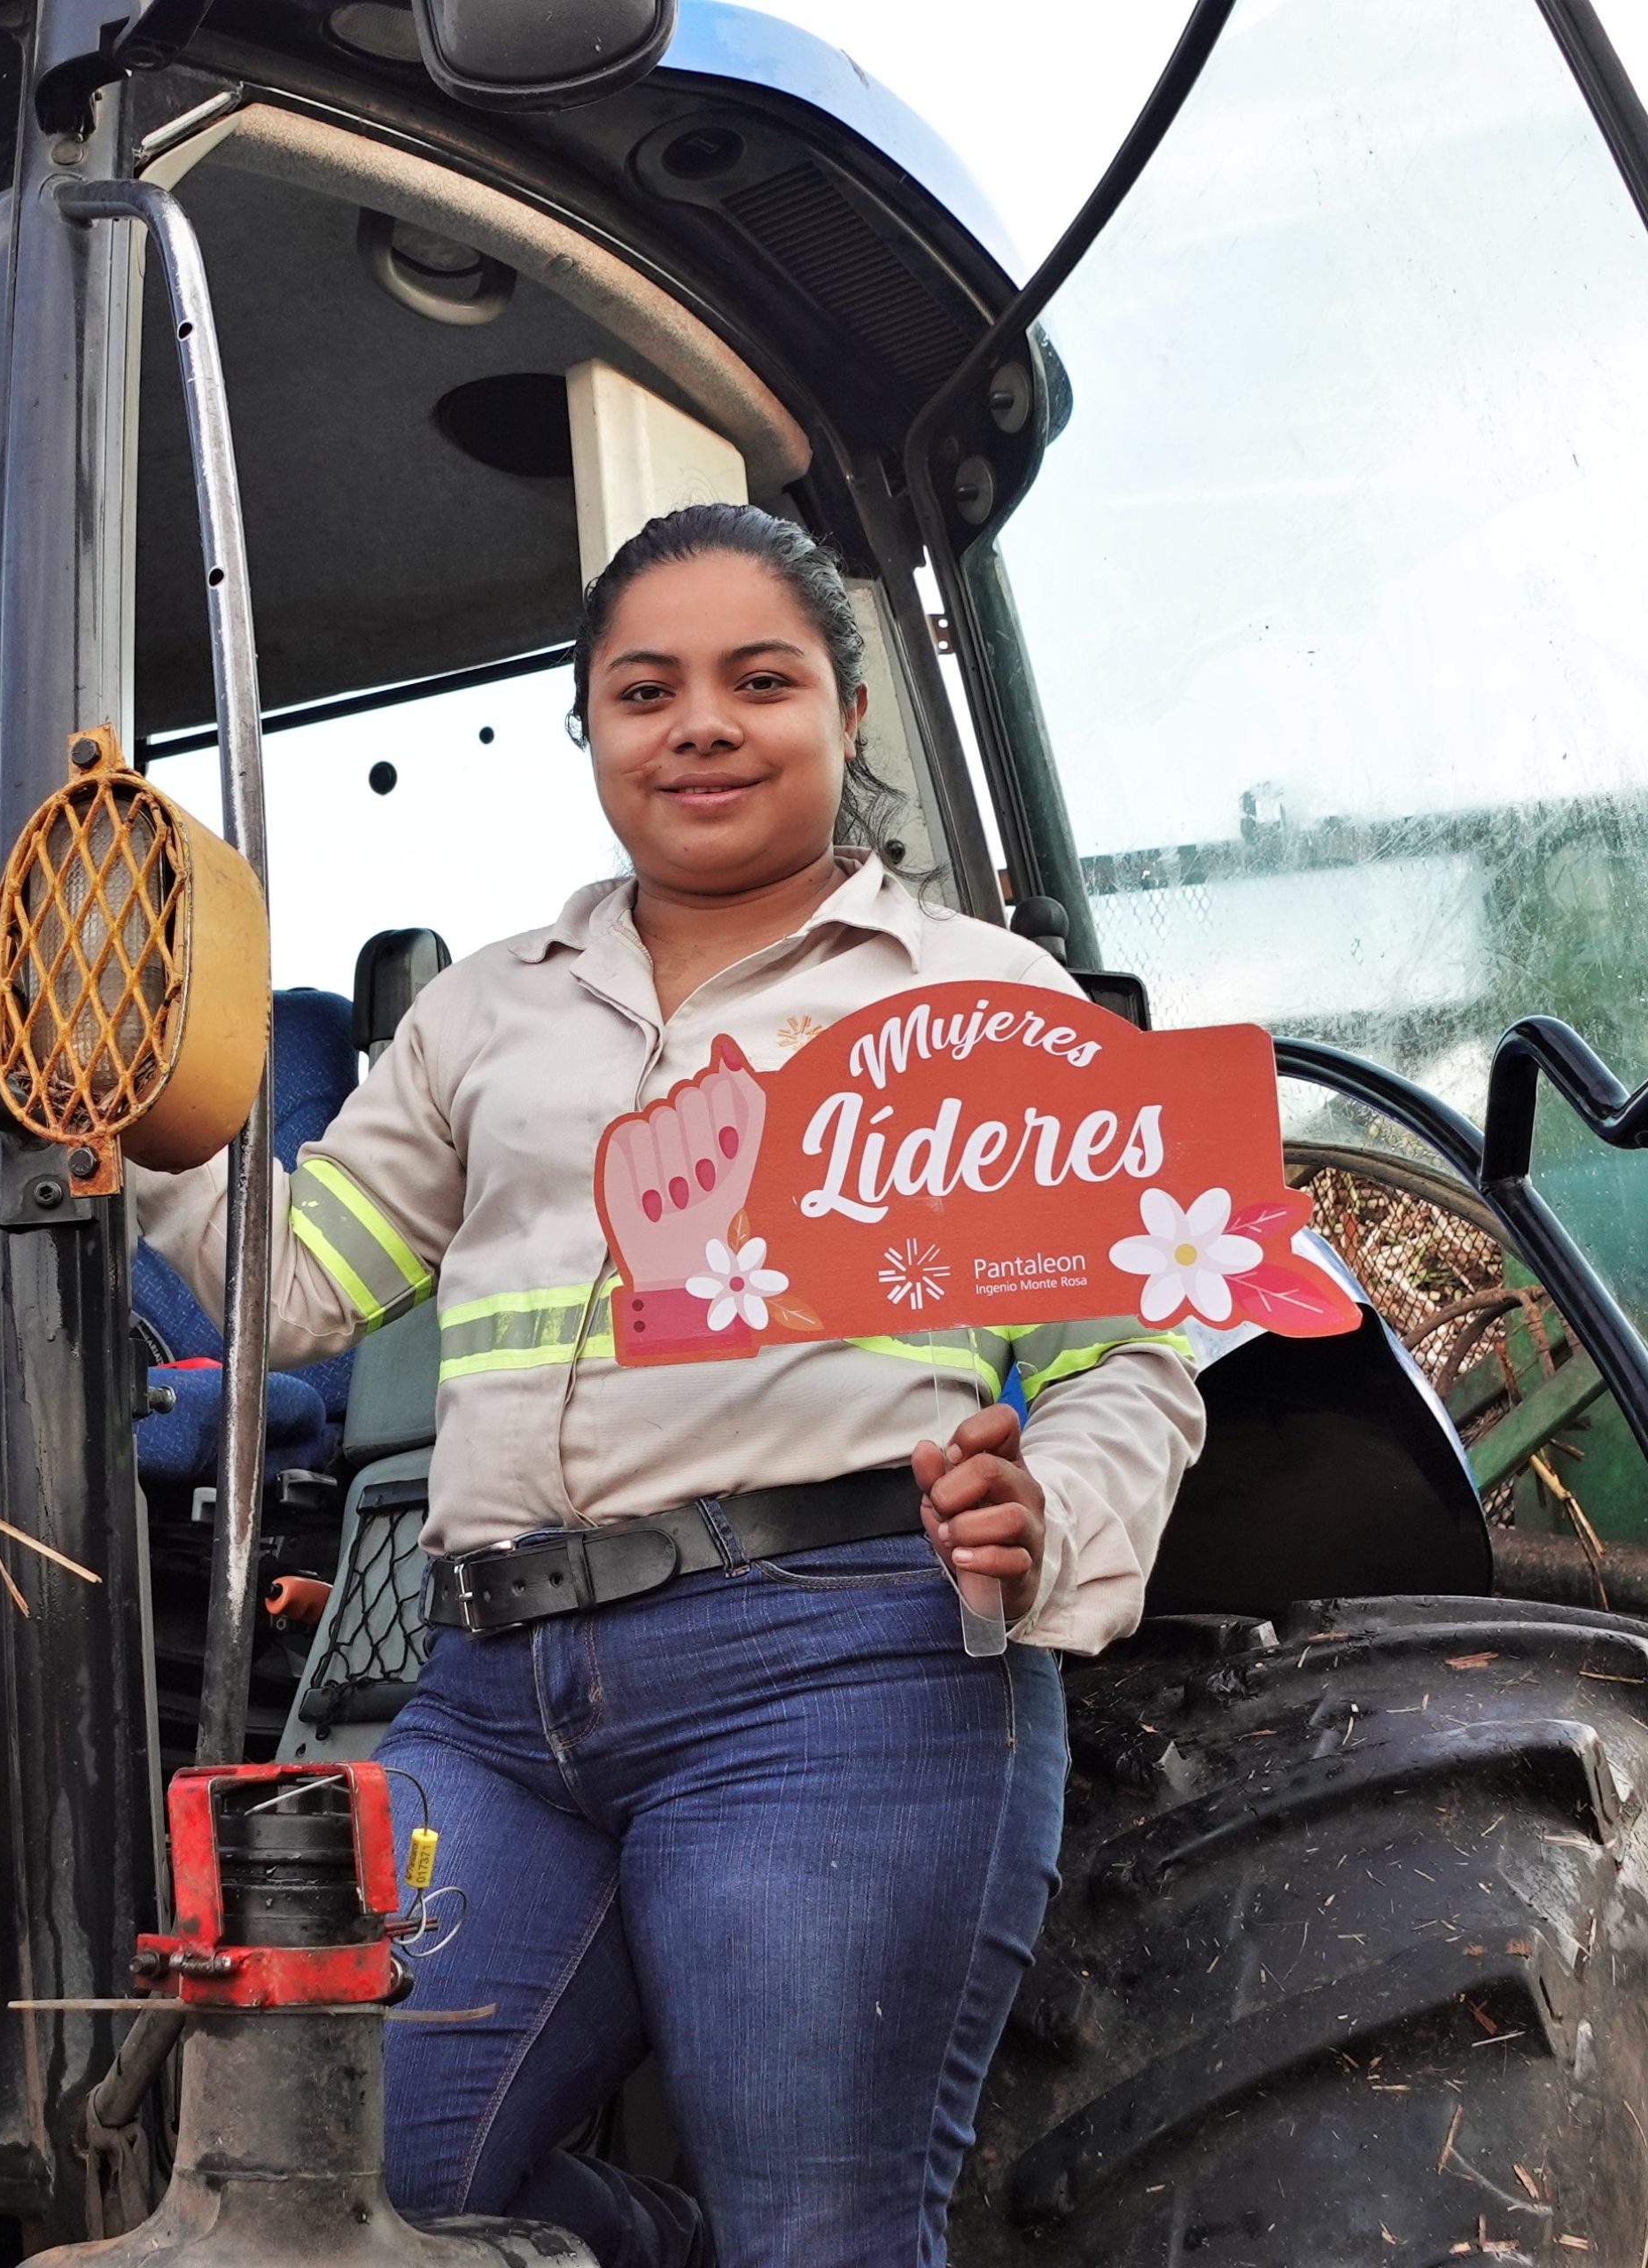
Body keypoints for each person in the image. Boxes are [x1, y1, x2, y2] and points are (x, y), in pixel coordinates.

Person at [133, 504, 1206, 2268]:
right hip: (489, 1692)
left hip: (837, 1669)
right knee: (350, 2190)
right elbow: (304, 1284)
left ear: (844, 713)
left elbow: (1123, 1361)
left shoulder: (976, 1006)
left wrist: (1050, 1506)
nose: (698, 723)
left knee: (823, 2225)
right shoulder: (489, 1013)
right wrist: (152, 1103)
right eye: (643, 689)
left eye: (755, 679)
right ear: (588, 730)